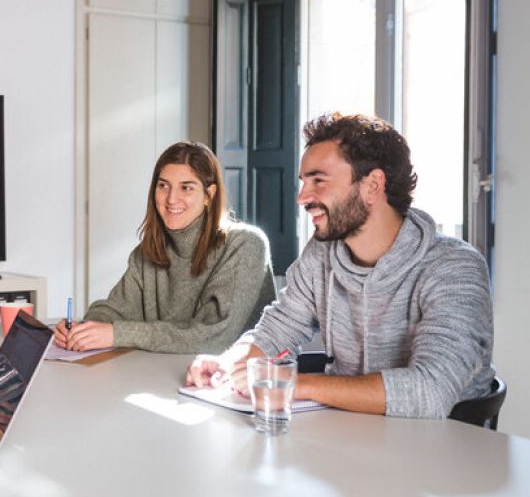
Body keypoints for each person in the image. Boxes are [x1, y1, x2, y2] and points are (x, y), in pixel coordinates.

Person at [186, 113, 495, 418]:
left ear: (373, 185)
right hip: (351, 439)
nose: (302, 197)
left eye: (318, 180)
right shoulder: (322, 253)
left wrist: (294, 383)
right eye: (304, 182)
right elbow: (277, 330)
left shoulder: (454, 267)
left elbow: (430, 391)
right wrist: (229, 364)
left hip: (441, 453)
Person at [54, 141, 276, 354]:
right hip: (165, 373)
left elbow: (215, 336)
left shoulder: (246, 245)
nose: (171, 199)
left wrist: (115, 333)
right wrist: (85, 328)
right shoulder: (147, 253)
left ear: (209, 195)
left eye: (186, 188)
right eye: (163, 186)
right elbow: (116, 310)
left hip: (239, 384)